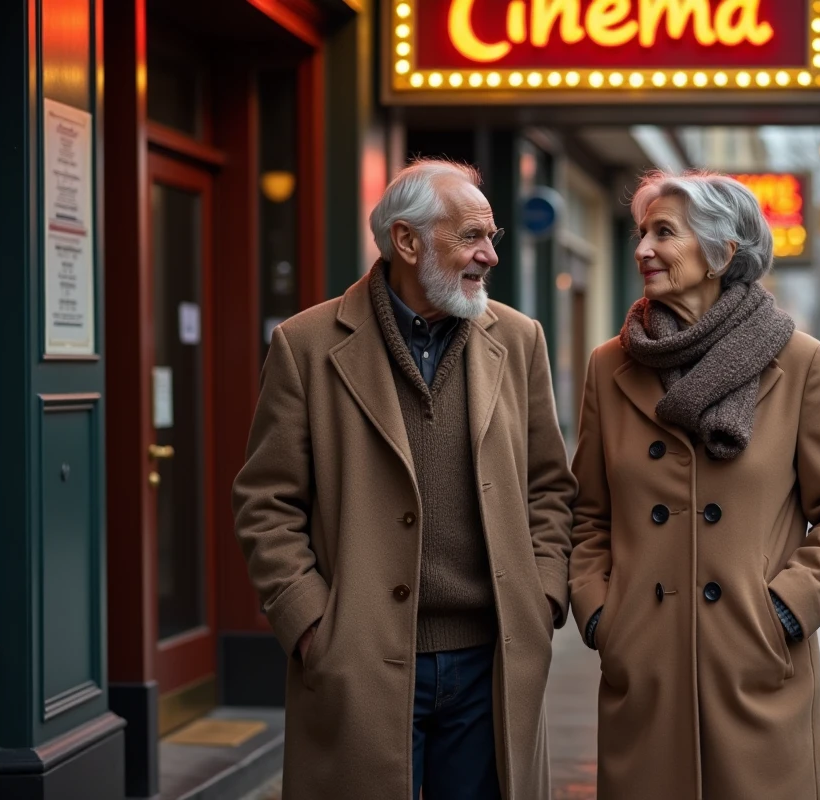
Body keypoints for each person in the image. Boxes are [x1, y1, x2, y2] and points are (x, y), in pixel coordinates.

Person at [232, 159, 576, 800]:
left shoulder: (520, 339)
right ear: (408, 242)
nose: (489, 255)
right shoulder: (306, 345)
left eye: (493, 237)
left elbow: (549, 488)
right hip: (358, 658)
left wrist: (544, 598)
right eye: (472, 236)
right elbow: (266, 503)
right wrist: (312, 627)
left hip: (491, 659)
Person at [568, 170, 820, 799]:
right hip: (646, 671)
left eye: (664, 233)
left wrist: (785, 611)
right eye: (640, 232)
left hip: (756, 671)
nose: (642, 250)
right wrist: (602, 614)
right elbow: (588, 516)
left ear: (721, 253)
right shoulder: (610, 366)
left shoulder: (799, 362)